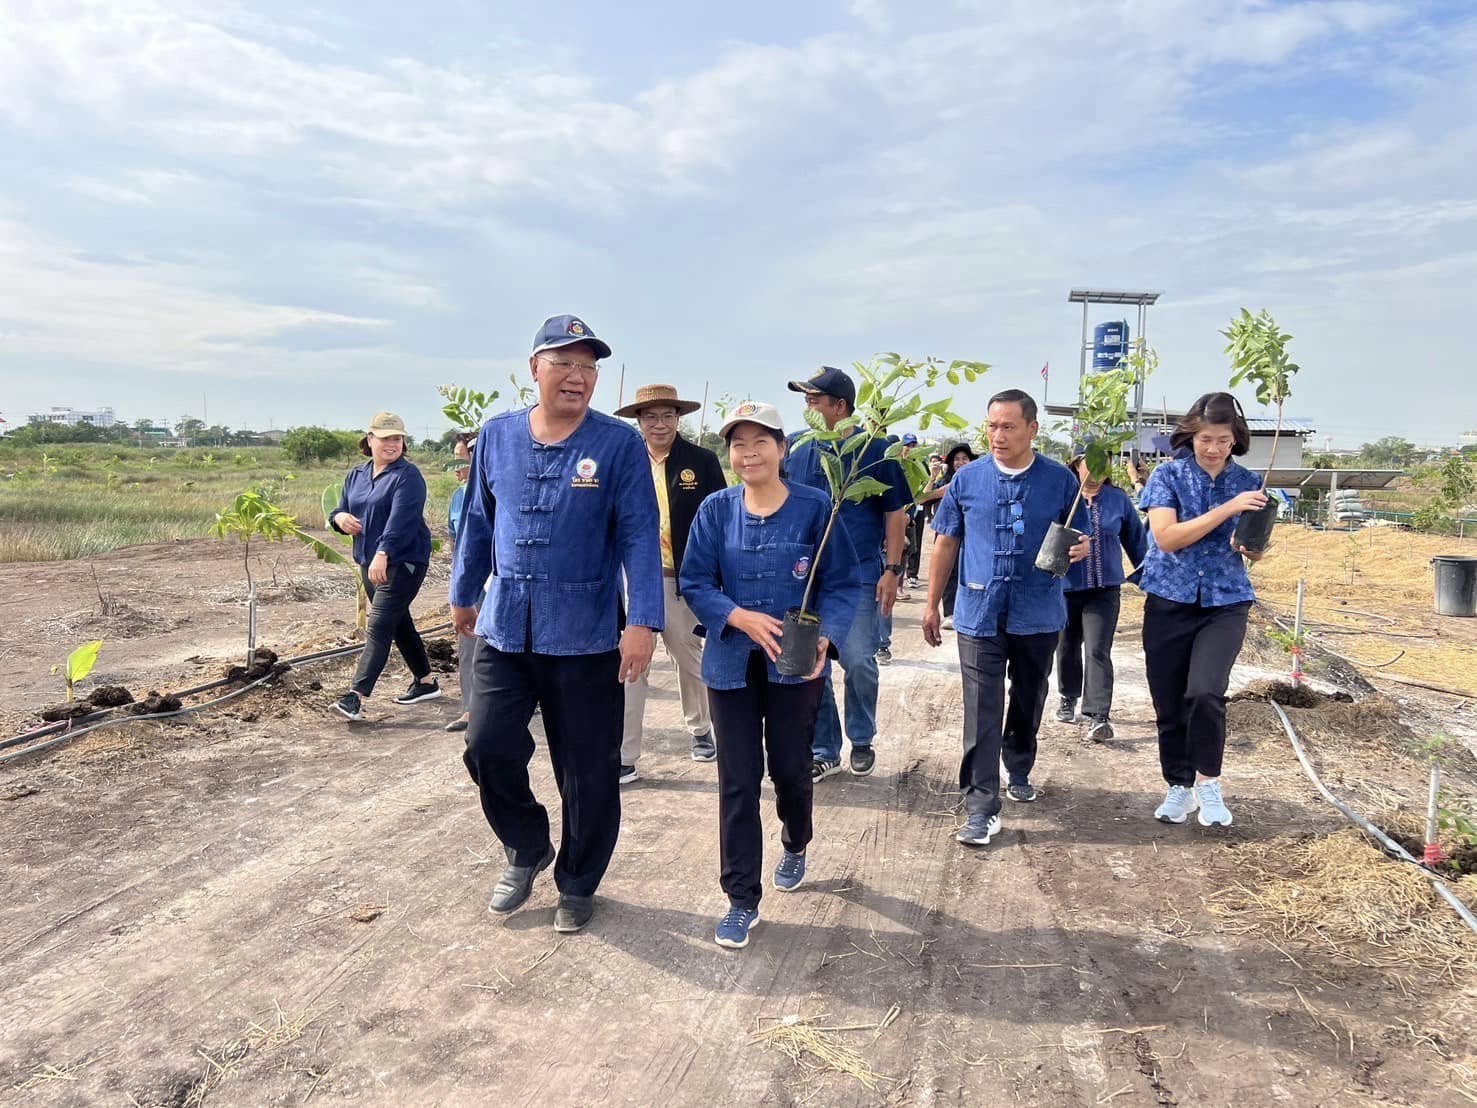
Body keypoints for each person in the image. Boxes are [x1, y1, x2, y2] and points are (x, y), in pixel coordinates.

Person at [450, 314, 664, 935]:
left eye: (588, 367)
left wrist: (643, 620)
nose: (577, 376)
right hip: (505, 627)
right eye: (564, 363)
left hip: (587, 631)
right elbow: (479, 522)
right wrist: (463, 592)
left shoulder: (617, 445)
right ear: (534, 369)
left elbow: (639, 534)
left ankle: (578, 881)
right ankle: (526, 844)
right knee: (487, 745)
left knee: (588, 769)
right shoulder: (497, 436)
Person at [679, 401, 862, 949]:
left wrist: (827, 633)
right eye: (738, 443)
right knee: (737, 780)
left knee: (789, 769)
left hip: (795, 665)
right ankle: (741, 898)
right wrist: (736, 615)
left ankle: (796, 839)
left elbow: (841, 582)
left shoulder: (815, 507)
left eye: (761, 441)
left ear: (783, 449)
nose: (749, 452)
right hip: (730, 664)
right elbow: (695, 580)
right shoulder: (715, 510)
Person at [922, 391, 1089, 847]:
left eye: (1008, 426)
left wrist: (1081, 547)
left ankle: (1018, 763)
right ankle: (980, 806)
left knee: (1029, 695)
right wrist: (932, 603)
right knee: (981, 707)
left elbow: (1081, 535)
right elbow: (945, 542)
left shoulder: (1059, 481)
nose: (998, 435)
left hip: (1038, 611)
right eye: (992, 426)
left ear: (1032, 429)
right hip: (979, 611)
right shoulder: (968, 479)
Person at [1138, 392, 1268, 829]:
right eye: (1206, 439)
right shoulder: (1168, 475)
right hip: (1169, 598)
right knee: (1169, 699)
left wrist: (1251, 546)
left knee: (1206, 692)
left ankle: (1208, 782)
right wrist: (1228, 508)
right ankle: (1178, 785)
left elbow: (1256, 551)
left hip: (1224, 602)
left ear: (1236, 441)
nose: (1213, 448)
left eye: (1223, 441)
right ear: (1191, 436)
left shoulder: (1250, 482)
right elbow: (1167, 538)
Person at [785, 366, 911, 780]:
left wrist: (892, 569)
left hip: (857, 575)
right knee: (811, 663)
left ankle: (861, 737)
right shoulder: (797, 447)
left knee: (857, 660)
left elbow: (895, 513)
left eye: (814, 400)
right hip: (807, 578)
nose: (807, 408)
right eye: (805, 400)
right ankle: (825, 748)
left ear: (840, 407)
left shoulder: (875, 450)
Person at [612, 383, 728, 780]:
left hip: (681, 579)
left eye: (667, 416)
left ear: (678, 419)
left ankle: (701, 728)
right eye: (650, 417)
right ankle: (625, 753)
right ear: (639, 421)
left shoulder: (702, 461)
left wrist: (715, 577)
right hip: (635, 578)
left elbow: (720, 520)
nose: (659, 424)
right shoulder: (625, 460)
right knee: (632, 664)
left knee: (688, 657)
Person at [329, 412, 439, 721]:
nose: (392, 444)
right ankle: (426, 682)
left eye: (397, 438)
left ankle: (355, 696)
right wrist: (339, 518)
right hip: (368, 561)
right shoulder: (357, 475)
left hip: (403, 561)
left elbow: (402, 520)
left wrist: (384, 552)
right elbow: (340, 509)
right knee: (399, 623)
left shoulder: (408, 476)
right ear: (369, 439)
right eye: (385, 438)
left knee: (378, 626)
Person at [1055, 450, 1149, 741]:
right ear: (1076, 465)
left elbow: (1137, 541)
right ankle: (1068, 695)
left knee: (1098, 649)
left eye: (1103, 466)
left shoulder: (1118, 499)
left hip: (1105, 589)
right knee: (1067, 646)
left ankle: (1098, 715)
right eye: (1090, 465)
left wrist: (1149, 576)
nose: (1096, 473)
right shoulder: (1063, 498)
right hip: (1066, 587)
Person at [916, 443, 978, 629]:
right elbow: (922, 498)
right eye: (956, 459)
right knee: (948, 571)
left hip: (971, 533)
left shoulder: (977, 480)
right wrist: (934, 478)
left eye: (964, 459)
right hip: (947, 533)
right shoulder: (947, 481)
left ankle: (966, 611)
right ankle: (950, 612)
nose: (960, 462)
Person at [877, 432, 923, 665]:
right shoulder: (876, 467)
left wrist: (906, 517)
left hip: (890, 544)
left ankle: (882, 645)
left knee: (884, 596)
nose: (908, 450)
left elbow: (911, 502)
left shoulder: (909, 471)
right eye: (906, 446)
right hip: (873, 543)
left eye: (911, 446)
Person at [446, 433, 476, 733]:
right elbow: (454, 539)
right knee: (468, 643)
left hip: (496, 581)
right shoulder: (458, 497)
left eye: (461, 460)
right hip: (468, 581)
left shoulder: (497, 492)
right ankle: (470, 710)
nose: (456, 467)